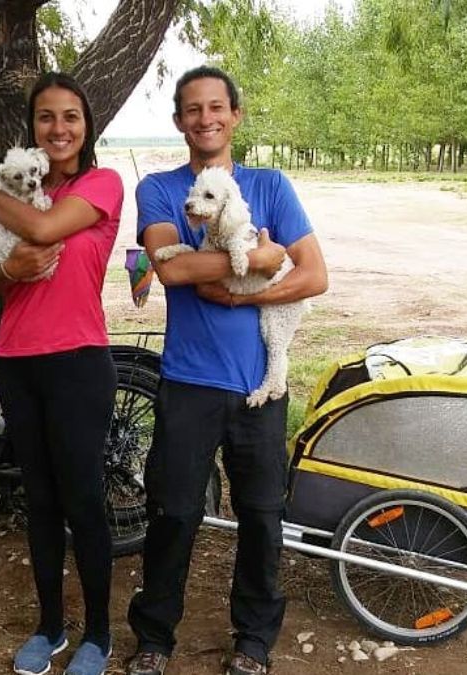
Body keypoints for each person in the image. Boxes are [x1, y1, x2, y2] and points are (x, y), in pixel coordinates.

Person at [125, 66, 328, 675]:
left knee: (263, 516)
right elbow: (171, 271)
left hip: (259, 387)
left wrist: (250, 287)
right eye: (192, 108)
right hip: (189, 381)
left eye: (217, 106)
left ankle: (254, 642)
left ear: (235, 114)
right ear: (179, 120)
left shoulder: (270, 185)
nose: (205, 118)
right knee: (174, 511)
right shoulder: (161, 189)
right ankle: (155, 638)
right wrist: (263, 257)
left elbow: (314, 275)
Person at [0, 72, 123, 675]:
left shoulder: (102, 185)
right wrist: (9, 269)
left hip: (79, 362)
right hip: (16, 360)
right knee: (39, 501)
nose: (58, 128)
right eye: (46, 117)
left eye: (70, 117)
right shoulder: (19, 191)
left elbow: (41, 230)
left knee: (83, 501)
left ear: (86, 127)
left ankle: (99, 635)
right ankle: (50, 628)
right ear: (32, 126)